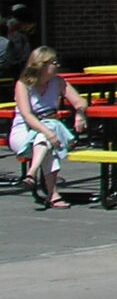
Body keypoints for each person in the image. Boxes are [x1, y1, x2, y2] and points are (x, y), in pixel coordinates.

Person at [10, 47, 84, 209]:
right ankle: (52, 194)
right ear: (41, 65)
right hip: (24, 130)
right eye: (53, 62)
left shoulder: (58, 82)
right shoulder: (23, 85)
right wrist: (48, 133)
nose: (57, 65)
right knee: (47, 137)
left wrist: (80, 114)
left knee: (47, 137)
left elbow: (80, 102)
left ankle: (31, 174)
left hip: (48, 129)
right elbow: (27, 115)